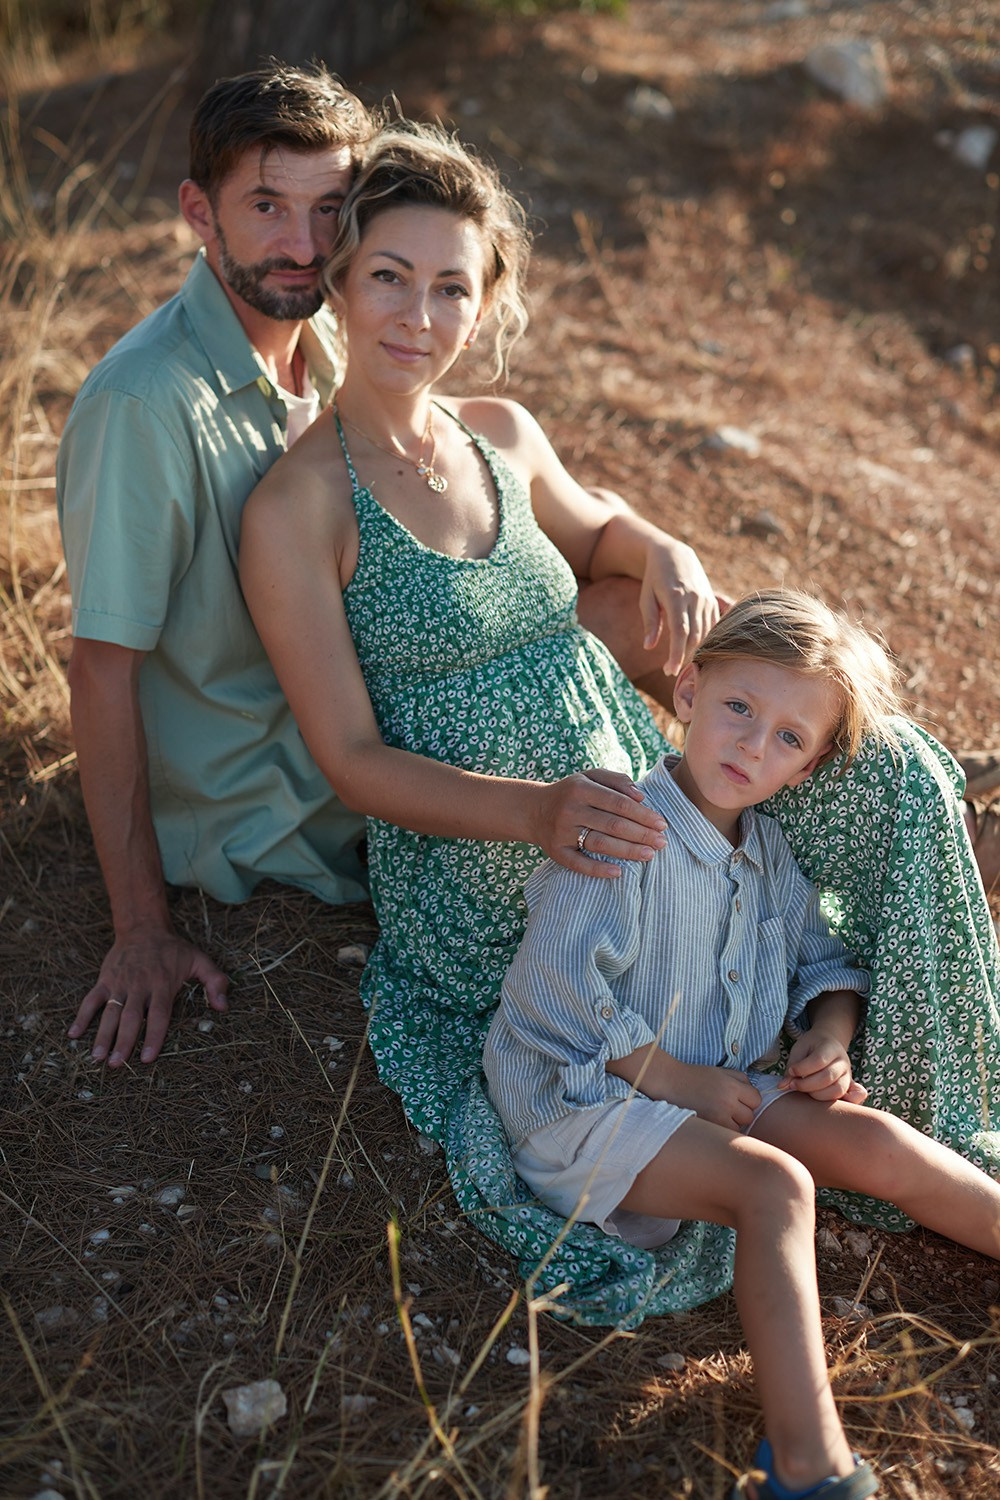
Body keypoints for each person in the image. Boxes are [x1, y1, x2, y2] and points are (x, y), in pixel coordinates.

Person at [241, 118, 1000, 1337]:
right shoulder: (300, 502)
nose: (416, 318)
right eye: (387, 277)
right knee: (747, 978)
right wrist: (538, 813)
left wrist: (669, 551)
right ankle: (803, 1066)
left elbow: (603, 539)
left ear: (485, 304)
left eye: (451, 288)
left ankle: (926, 1052)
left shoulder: (497, 434)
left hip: (660, 790)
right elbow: (350, 759)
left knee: (899, 773)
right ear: (338, 278)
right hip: (501, 850)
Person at [56, 64, 722, 1072]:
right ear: (200, 212)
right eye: (265, 206)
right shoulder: (146, 405)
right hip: (278, 780)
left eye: (330, 210)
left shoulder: (320, 333)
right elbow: (100, 667)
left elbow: (542, 519)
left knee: (621, 610)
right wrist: (141, 926)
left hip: (386, 687)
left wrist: (661, 547)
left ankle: (774, 781)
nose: (302, 240)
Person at [484, 590, 1000, 1500]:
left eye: (789, 739)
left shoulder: (768, 850)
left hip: (720, 1083)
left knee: (875, 1143)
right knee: (778, 1186)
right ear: (686, 691)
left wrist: (830, 1036)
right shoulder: (624, 825)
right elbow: (552, 992)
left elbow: (825, 959)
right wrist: (672, 1078)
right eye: (739, 709)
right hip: (589, 1097)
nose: (755, 747)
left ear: (808, 768)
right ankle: (810, 1468)